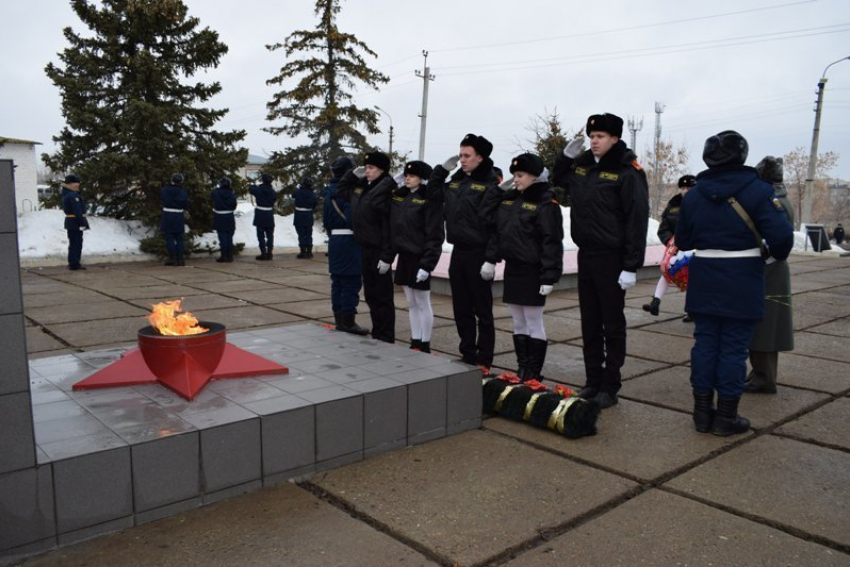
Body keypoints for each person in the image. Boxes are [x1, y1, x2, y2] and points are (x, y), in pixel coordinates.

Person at [676, 131, 794, 436]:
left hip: (704, 275)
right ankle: (726, 417)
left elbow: (685, 239)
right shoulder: (758, 190)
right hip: (742, 276)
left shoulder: (696, 194)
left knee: (704, 345)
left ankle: (702, 414)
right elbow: (781, 240)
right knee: (732, 349)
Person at [552, 113, 649, 409]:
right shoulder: (582, 167)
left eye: (601, 137)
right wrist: (565, 158)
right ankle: (592, 381)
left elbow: (636, 220)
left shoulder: (627, 171)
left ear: (615, 139)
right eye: (592, 136)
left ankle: (610, 384)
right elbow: (558, 181)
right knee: (590, 322)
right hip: (588, 255)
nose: (594, 141)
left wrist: (631, 265)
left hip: (613, 257)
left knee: (612, 324)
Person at [427, 133, 501, 369]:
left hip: (479, 253)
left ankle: (485, 358)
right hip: (459, 252)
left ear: (480, 157)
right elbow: (433, 194)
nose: (462, 160)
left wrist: (491, 259)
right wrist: (441, 170)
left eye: (467, 155)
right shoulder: (456, 182)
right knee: (461, 307)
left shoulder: (490, 185)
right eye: (460, 155)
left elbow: (495, 227)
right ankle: (467, 352)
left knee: (482, 310)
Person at [489, 153, 564, 381]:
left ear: (534, 176)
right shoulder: (511, 199)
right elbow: (488, 218)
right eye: (514, 175)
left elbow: (551, 241)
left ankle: (534, 372)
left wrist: (548, 276)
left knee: (533, 321)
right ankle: (522, 367)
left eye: (520, 175)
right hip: (514, 268)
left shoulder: (546, 203)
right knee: (518, 321)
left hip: (533, 271)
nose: (516, 180)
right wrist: (497, 192)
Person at [744, 155, 795, 395]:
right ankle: (760, 374)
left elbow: (776, 239)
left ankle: (764, 378)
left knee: (764, 328)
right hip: (772, 270)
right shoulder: (779, 198)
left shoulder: (773, 201)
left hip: (769, 271)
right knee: (764, 326)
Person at [338, 151, 396, 343]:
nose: (368, 171)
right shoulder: (363, 187)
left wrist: (387, 256)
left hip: (379, 250)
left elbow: (389, 227)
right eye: (367, 167)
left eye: (371, 168)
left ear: (382, 170)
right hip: (365, 248)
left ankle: (386, 337)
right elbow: (342, 191)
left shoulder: (386, 189)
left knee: (383, 298)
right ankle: (378, 334)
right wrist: (353, 174)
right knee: (371, 295)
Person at [390, 160, 443, 353]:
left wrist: (427, 265)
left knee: (422, 302)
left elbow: (434, 234)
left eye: (411, 176)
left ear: (422, 179)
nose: (407, 178)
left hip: (420, 257)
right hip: (405, 255)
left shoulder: (428, 198)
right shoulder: (401, 196)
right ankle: (415, 339)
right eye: (406, 175)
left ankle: (425, 342)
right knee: (411, 302)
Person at [322, 156, 369, 335]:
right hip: (350, 241)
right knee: (351, 282)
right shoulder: (348, 192)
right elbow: (353, 219)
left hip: (334, 241)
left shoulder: (329, 191)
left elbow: (326, 220)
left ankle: (339, 319)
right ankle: (348, 321)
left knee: (338, 282)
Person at [643, 174, 697, 320]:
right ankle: (656, 301)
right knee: (667, 272)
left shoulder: (702, 204)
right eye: (683, 188)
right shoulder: (673, 205)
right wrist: (671, 241)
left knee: (693, 279)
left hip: (695, 248)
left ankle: (691, 310)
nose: (685, 191)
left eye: (689, 188)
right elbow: (663, 229)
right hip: (675, 247)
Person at [61, 173, 89, 271]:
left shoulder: (67, 193)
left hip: (71, 222)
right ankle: (74, 263)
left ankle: (73, 262)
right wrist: (82, 223)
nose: (77, 184)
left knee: (74, 243)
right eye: (75, 183)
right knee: (76, 243)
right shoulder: (72, 195)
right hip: (75, 222)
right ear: (70, 184)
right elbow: (77, 211)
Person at [161, 173, 188, 266]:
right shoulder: (182, 192)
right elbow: (186, 203)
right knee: (179, 238)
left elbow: (162, 199)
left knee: (169, 238)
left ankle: (173, 258)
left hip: (168, 214)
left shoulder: (164, 190)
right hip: (178, 215)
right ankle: (180, 259)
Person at [249, 173, 277, 261]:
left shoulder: (259, 189)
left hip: (260, 214)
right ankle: (269, 253)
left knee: (260, 235)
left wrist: (252, 184)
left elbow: (251, 189)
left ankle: (263, 253)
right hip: (269, 213)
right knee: (270, 235)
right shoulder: (272, 191)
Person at [211, 176, 237, 263]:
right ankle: (230, 256)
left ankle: (224, 256)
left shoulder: (216, 192)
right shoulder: (232, 193)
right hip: (229, 216)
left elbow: (212, 198)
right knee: (229, 237)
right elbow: (234, 205)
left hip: (219, 216)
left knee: (222, 237)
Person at [293, 176, 317, 259]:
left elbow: (293, 194)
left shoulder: (298, 191)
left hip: (299, 215)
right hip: (308, 215)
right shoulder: (313, 194)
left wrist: (297, 187)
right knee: (308, 234)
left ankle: (303, 252)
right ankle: (309, 252)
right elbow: (314, 205)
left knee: (301, 234)